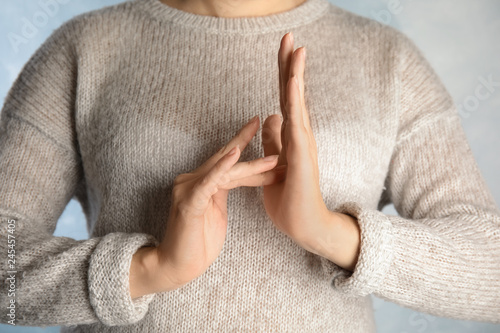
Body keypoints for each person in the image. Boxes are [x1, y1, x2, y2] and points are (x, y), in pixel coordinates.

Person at [0, 0, 499, 332]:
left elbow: (490, 270)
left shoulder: (388, 60)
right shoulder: (84, 48)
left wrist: (329, 232)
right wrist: (147, 269)